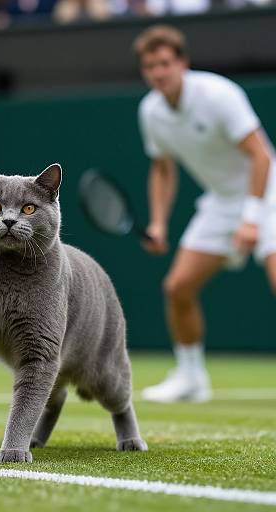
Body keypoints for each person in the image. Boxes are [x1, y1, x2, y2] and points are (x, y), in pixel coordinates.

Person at [134, 25, 276, 402]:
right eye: (150, 66)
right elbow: (162, 168)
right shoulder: (150, 110)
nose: (158, 72)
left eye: (165, 63)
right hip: (220, 202)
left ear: (182, 63)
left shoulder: (218, 94)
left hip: (269, 193)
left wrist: (251, 216)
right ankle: (192, 378)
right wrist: (159, 222)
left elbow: (261, 154)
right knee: (178, 287)